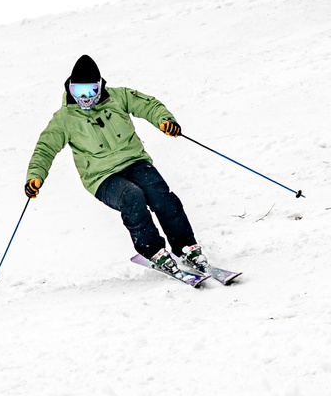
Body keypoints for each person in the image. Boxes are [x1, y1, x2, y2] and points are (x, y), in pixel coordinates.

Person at [24, 54, 211, 277]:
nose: (85, 98)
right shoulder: (65, 119)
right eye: (79, 92)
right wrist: (35, 176)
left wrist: (165, 121)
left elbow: (149, 106)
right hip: (101, 177)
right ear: (70, 89)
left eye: (90, 91)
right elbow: (45, 147)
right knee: (132, 196)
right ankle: (154, 251)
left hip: (135, 162)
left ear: (100, 86)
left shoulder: (119, 97)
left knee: (160, 194)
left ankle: (186, 247)